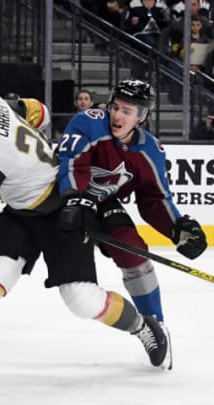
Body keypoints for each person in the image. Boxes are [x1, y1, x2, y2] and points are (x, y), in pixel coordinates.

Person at [0, 80, 170, 372]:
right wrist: (14, 165)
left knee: (81, 299)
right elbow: (39, 113)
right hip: (20, 211)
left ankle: (141, 327)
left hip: (61, 210)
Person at [56, 79, 207, 369]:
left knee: (133, 251)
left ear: (142, 117)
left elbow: (154, 199)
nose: (117, 116)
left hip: (101, 205)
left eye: (128, 111)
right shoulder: (88, 123)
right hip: (60, 199)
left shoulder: (150, 151)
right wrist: (76, 199)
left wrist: (178, 227)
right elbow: (72, 163)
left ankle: (157, 328)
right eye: (115, 107)